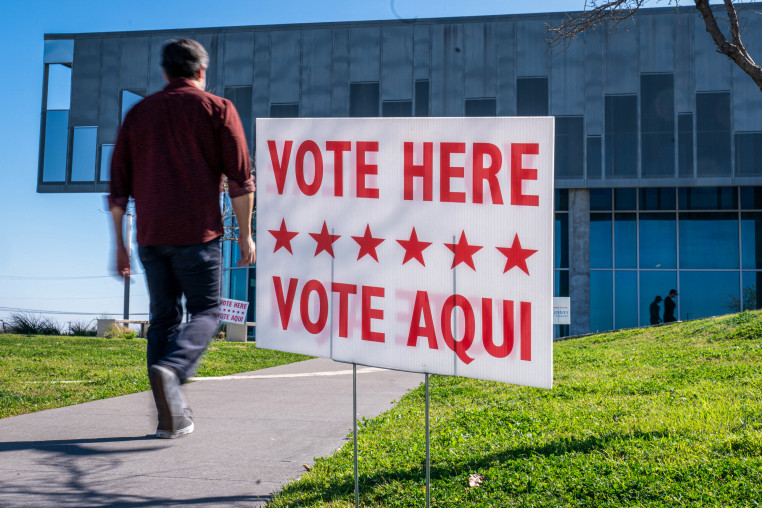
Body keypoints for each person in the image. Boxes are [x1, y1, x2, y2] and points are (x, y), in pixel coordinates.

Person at [108, 38, 255, 439]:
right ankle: (172, 370)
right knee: (207, 312)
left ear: (165, 72)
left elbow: (118, 189)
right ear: (201, 71)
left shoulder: (139, 114)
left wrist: (119, 244)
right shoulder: (218, 109)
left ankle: (168, 419)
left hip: (151, 236)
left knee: (163, 320)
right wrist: (245, 236)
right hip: (198, 233)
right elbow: (241, 182)